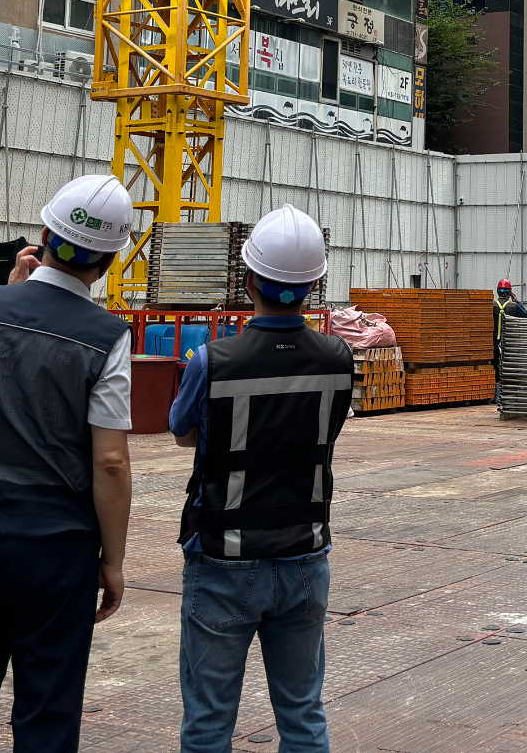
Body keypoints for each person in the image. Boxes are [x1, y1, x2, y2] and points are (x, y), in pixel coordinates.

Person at [0, 174, 137, 753]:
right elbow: (110, 461)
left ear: (43, 237)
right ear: (108, 262)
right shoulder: (106, 337)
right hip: (55, 548)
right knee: (47, 712)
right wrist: (113, 562)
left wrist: (9, 290)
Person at [170, 204, 354, 753]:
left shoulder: (212, 360)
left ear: (249, 279)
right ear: (313, 286)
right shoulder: (338, 358)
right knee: (302, 714)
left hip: (224, 559)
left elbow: (183, 432)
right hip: (304, 556)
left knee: (209, 720)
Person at [493, 279, 527, 399]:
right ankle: (508, 395)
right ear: (510, 293)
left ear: (498, 292)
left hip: (494, 343)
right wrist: (516, 301)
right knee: (509, 368)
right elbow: (525, 315)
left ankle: (497, 395)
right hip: (509, 344)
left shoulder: (491, 305)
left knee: (496, 368)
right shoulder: (514, 306)